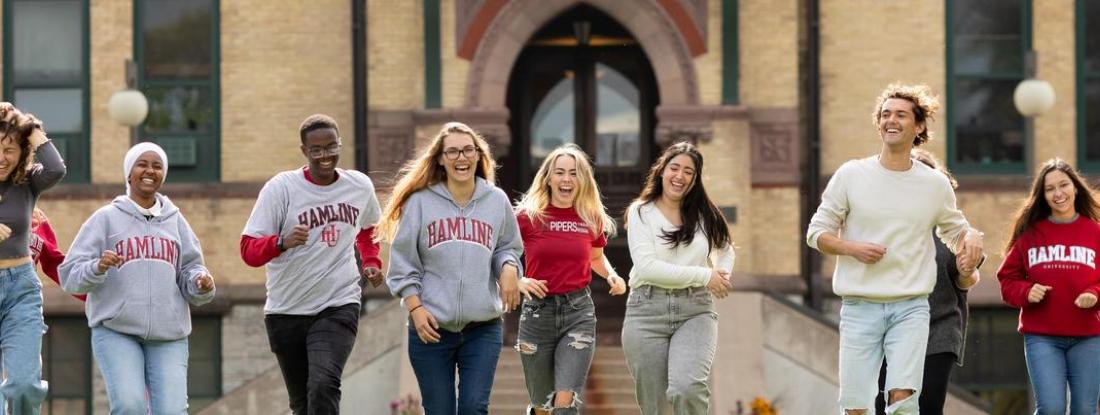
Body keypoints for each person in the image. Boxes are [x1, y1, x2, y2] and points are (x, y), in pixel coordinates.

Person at [805, 83, 983, 415]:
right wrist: (851, 247)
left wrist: (972, 238)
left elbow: (956, 230)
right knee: (856, 406)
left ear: (918, 127)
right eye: (885, 114)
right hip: (860, 306)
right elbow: (816, 233)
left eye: (901, 115)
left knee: (903, 402)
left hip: (911, 307)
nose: (891, 120)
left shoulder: (934, 184)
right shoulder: (851, 175)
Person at [240, 114, 383, 414]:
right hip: (286, 310)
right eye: (316, 150)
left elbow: (368, 229)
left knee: (324, 384)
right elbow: (248, 251)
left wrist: (370, 260)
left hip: (338, 303)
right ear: (304, 151)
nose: (325, 156)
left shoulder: (358, 186)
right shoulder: (282, 189)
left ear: (339, 145)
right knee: (302, 404)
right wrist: (281, 242)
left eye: (331, 147)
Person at [378, 121, 522, 414]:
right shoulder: (420, 203)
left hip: (482, 328)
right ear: (441, 159)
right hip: (431, 328)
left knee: (473, 407)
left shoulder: (496, 201)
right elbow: (402, 264)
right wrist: (416, 309)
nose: (461, 158)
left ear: (478, 156)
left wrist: (508, 267)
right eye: (453, 151)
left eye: (468, 150)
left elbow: (508, 247)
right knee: (440, 410)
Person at [60, 142, 214, 414]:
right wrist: (98, 267)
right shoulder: (105, 219)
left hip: (169, 335)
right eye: (142, 164)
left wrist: (201, 282)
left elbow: (191, 270)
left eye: (157, 166)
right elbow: (70, 276)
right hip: (116, 330)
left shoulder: (176, 221)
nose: (150, 171)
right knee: (130, 406)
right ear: (128, 173)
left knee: (171, 411)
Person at [621, 141, 734, 415]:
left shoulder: (705, 214)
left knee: (687, 387)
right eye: (674, 168)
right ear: (661, 171)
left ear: (695, 180)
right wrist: (705, 274)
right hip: (647, 311)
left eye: (688, 172)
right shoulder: (640, 212)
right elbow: (648, 268)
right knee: (655, 405)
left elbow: (725, 249)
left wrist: (721, 275)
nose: (680, 176)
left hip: (695, 311)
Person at [513, 144, 626, 414]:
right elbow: (499, 255)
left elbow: (596, 257)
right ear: (548, 178)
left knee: (564, 401)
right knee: (542, 404)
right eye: (560, 172)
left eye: (574, 173)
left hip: (578, 313)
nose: (566, 179)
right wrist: (519, 280)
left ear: (582, 179)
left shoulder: (590, 218)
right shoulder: (527, 218)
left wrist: (612, 275)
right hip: (537, 313)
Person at [874, 149, 981, 415]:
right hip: (890, 330)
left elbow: (967, 275)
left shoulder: (947, 224)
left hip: (939, 327)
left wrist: (965, 270)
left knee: (928, 405)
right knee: (885, 406)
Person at [997, 158, 1100, 415]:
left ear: (1076, 188)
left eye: (1063, 185)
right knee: (1051, 408)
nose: (1058, 193)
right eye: (1050, 188)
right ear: (1043, 195)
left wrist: (1094, 293)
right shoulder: (1030, 234)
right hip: (1042, 337)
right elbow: (1007, 279)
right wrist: (1026, 292)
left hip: (1088, 336)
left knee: (1084, 410)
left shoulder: (1095, 232)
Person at [0, 103, 65, 414]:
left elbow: (56, 168)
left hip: (20, 290)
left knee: (24, 385)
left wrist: (28, 125)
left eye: (9, 149)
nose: (2, 158)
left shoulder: (27, 183)